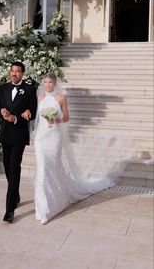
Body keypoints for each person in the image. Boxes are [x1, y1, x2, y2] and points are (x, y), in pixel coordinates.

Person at [22, 72, 129, 225]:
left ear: (55, 84)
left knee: (54, 168)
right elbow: (34, 116)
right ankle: (43, 208)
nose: (47, 85)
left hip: (54, 138)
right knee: (42, 169)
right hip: (40, 137)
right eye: (45, 82)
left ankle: (56, 201)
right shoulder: (39, 98)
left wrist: (55, 119)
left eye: (50, 82)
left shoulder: (61, 98)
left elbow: (66, 118)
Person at [0, 61, 37, 223]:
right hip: (5, 134)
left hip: (19, 134)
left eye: (18, 71)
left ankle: (10, 209)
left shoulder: (29, 89)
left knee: (14, 167)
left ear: (23, 73)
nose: (14, 74)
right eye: (12, 71)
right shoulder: (2, 88)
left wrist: (17, 118)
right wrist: (1, 111)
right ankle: (16, 194)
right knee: (7, 167)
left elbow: (32, 112)